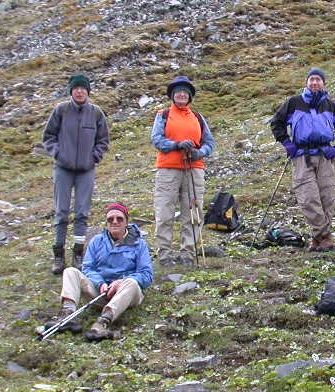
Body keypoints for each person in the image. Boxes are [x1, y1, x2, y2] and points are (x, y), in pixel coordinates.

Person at [44, 202, 154, 341]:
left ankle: (103, 322)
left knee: (131, 282)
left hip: (127, 294)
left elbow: (146, 274)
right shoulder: (97, 241)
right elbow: (88, 268)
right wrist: (100, 283)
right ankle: (67, 314)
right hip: (101, 292)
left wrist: (121, 282)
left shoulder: (140, 244)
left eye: (119, 218)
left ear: (127, 221)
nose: (115, 222)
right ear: (106, 222)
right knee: (71, 271)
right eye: (110, 219)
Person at [270, 68, 335, 251]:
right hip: (302, 156)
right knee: (308, 197)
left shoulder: (332, 105)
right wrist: (287, 143)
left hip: (325, 156)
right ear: (306, 83)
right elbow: (277, 123)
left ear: (323, 83)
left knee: (327, 197)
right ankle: (324, 235)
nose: (315, 83)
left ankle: (319, 239)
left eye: (318, 80)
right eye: (311, 79)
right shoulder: (294, 103)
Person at [42, 73, 110, 274]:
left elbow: (103, 140)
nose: (80, 91)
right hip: (63, 169)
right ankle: (58, 255)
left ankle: (78, 254)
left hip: (86, 171)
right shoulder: (61, 110)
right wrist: (58, 154)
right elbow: (48, 136)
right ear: (71, 91)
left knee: (82, 213)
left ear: (88, 91)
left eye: (83, 88)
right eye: (76, 88)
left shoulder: (96, 113)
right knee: (61, 212)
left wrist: (94, 157)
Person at [151, 76, 215, 266]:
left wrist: (199, 152)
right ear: (172, 95)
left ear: (190, 96)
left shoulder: (198, 117)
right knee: (165, 211)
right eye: (178, 91)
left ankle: (188, 251)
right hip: (168, 169)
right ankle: (164, 253)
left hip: (194, 169)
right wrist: (177, 145)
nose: (181, 94)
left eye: (185, 92)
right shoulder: (163, 114)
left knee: (193, 212)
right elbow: (156, 139)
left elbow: (209, 143)